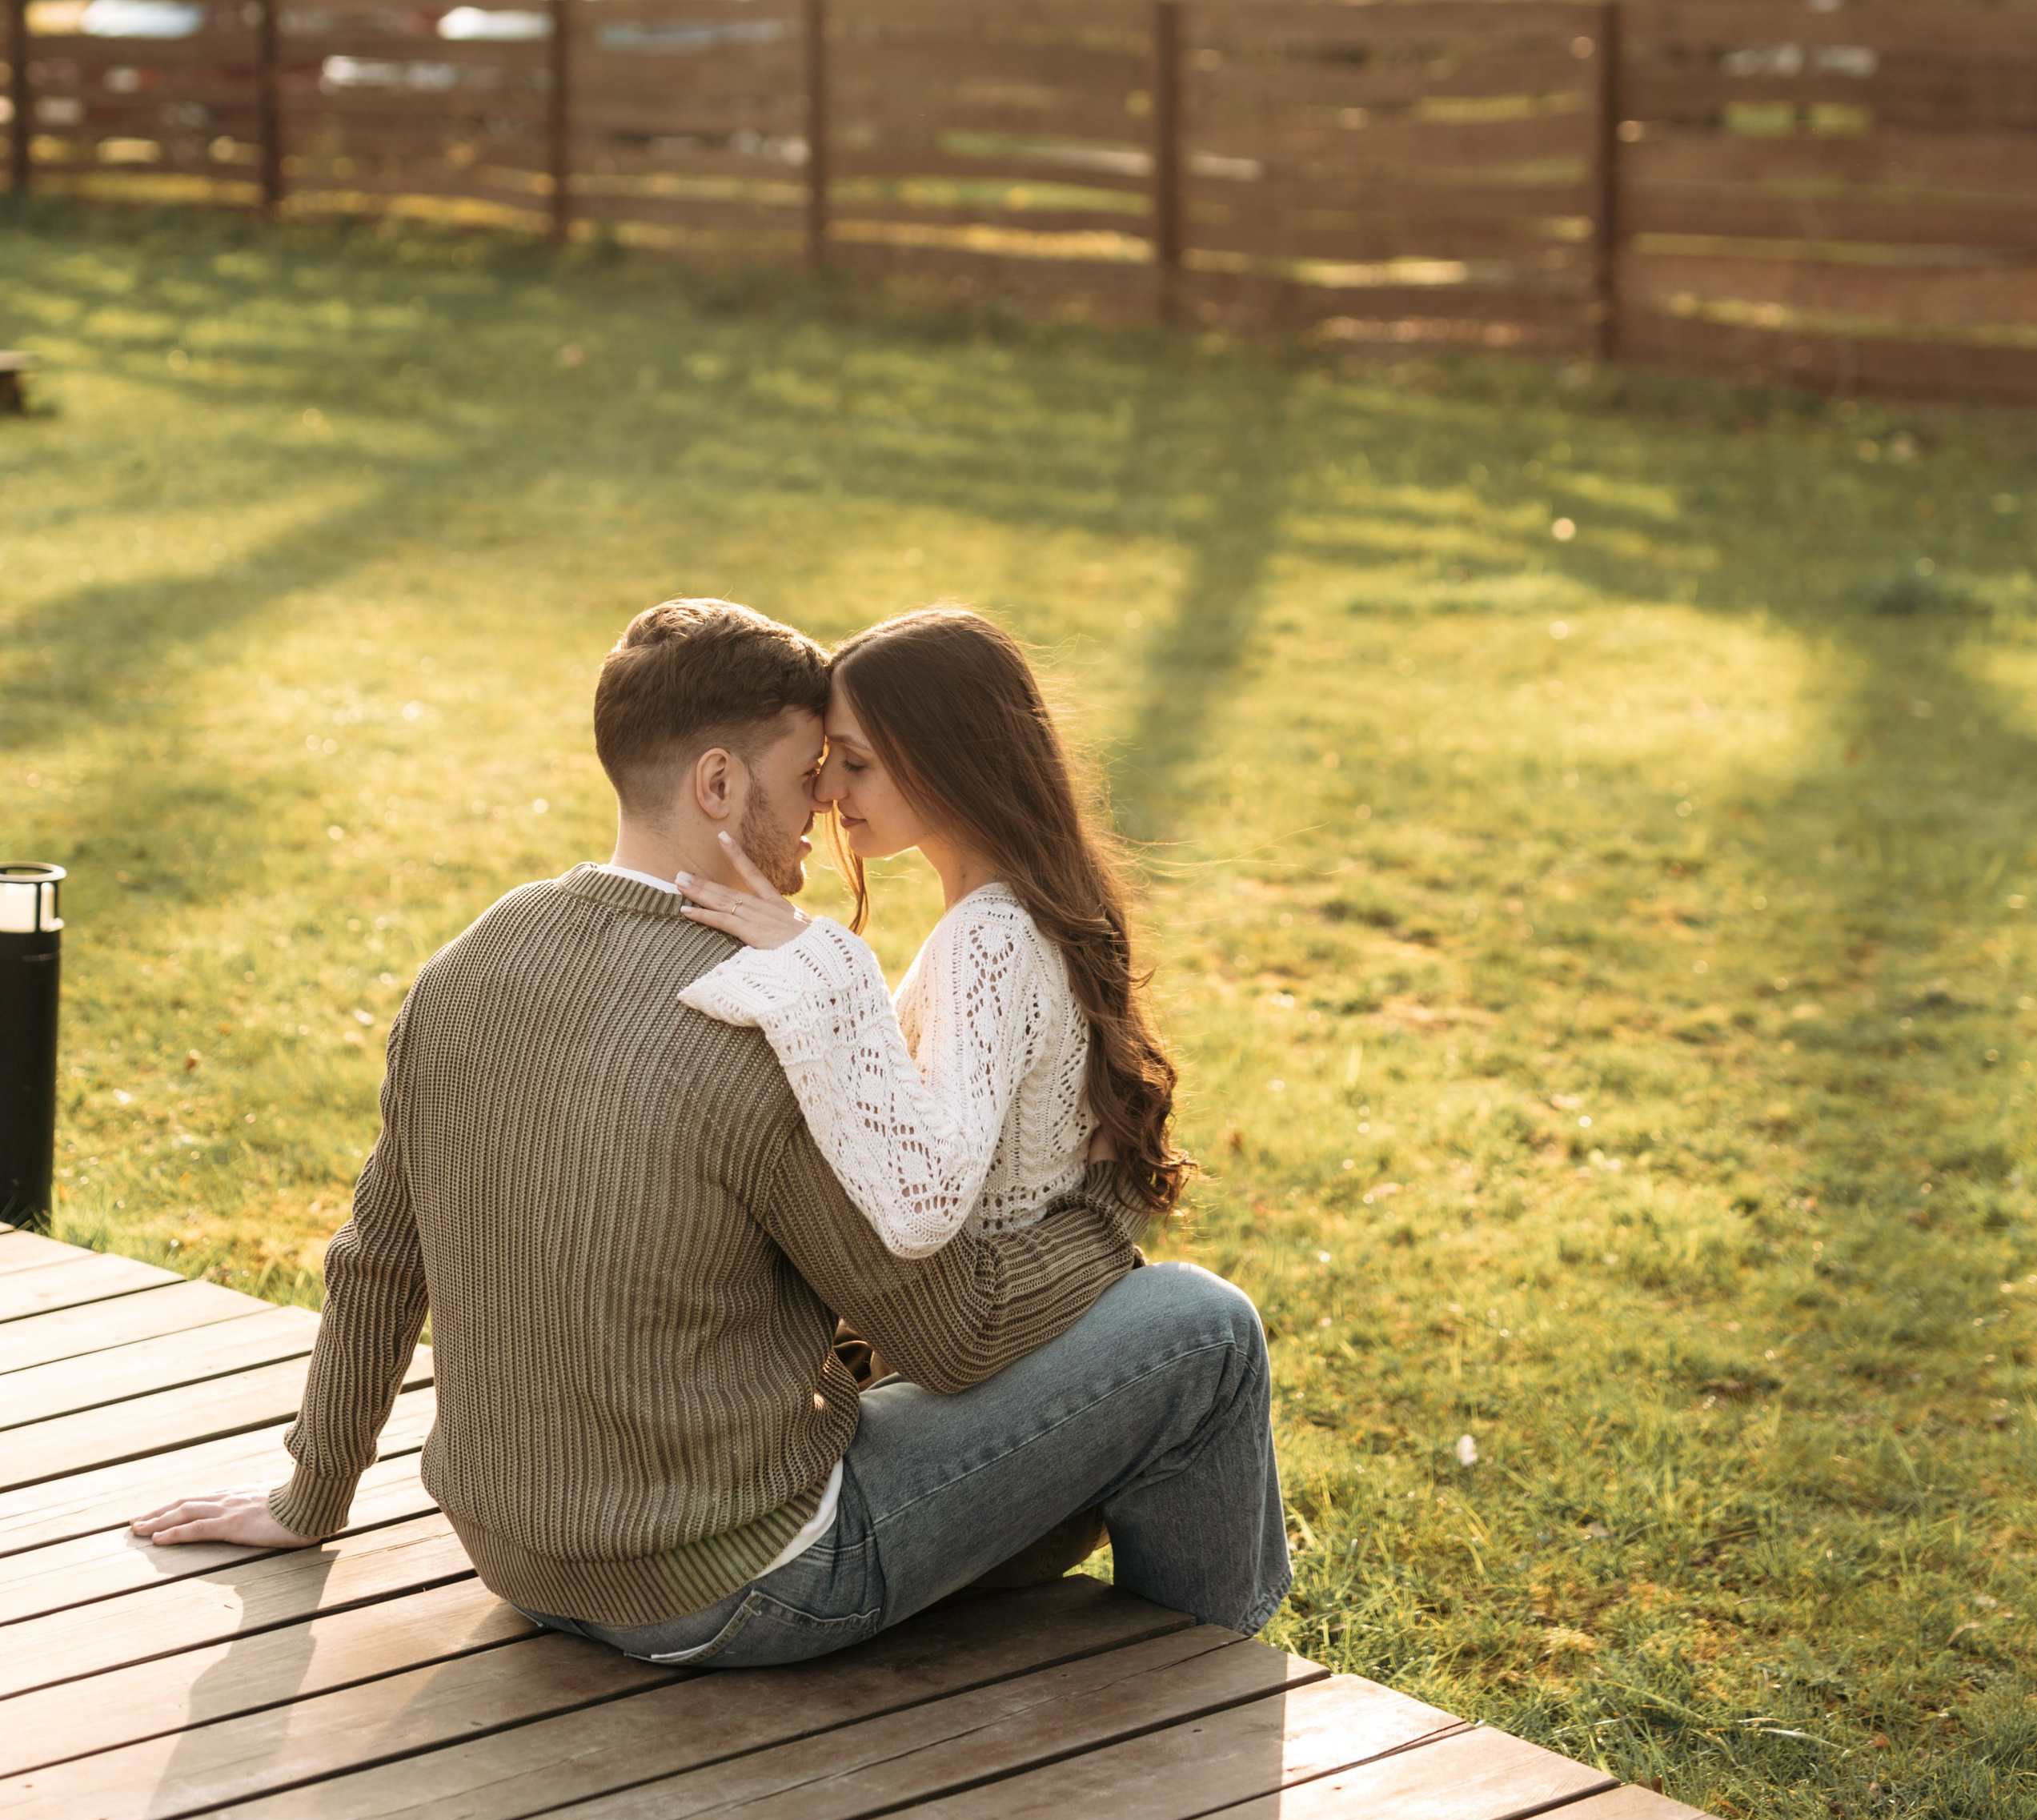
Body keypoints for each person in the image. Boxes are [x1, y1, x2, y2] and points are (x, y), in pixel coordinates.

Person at [132, 597, 1290, 1667]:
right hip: (735, 1586)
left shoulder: (473, 958)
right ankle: (1211, 1691)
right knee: (1201, 1329)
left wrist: (311, 1496)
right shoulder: (765, 1017)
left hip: (520, 1561)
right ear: (721, 785)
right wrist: (1105, 1211)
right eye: (805, 770)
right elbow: (954, 1336)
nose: (824, 801)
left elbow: (379, 1257)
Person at [673, 606, 1186, 1265]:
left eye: (856, 763)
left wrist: (823, 961)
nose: (826, 790)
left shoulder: (990, 939)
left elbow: (926, 1202)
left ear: (947, 763)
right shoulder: (1020, 911)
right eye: (827, 760)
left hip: (1007, 1318)